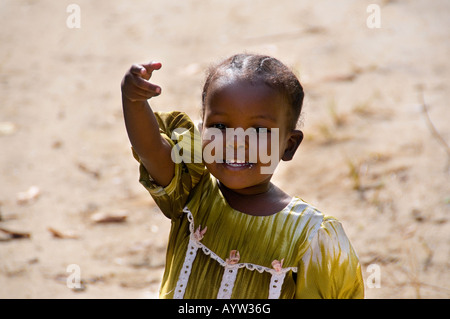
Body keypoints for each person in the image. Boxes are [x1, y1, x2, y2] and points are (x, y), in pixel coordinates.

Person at [121, 53, 364, 299]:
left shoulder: (310, 236)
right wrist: (134, 102)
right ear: (201, 129)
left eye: (259, 130)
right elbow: (151, 150)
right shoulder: (191, 193)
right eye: (220, 126)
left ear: (289, 145)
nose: (236, 143)